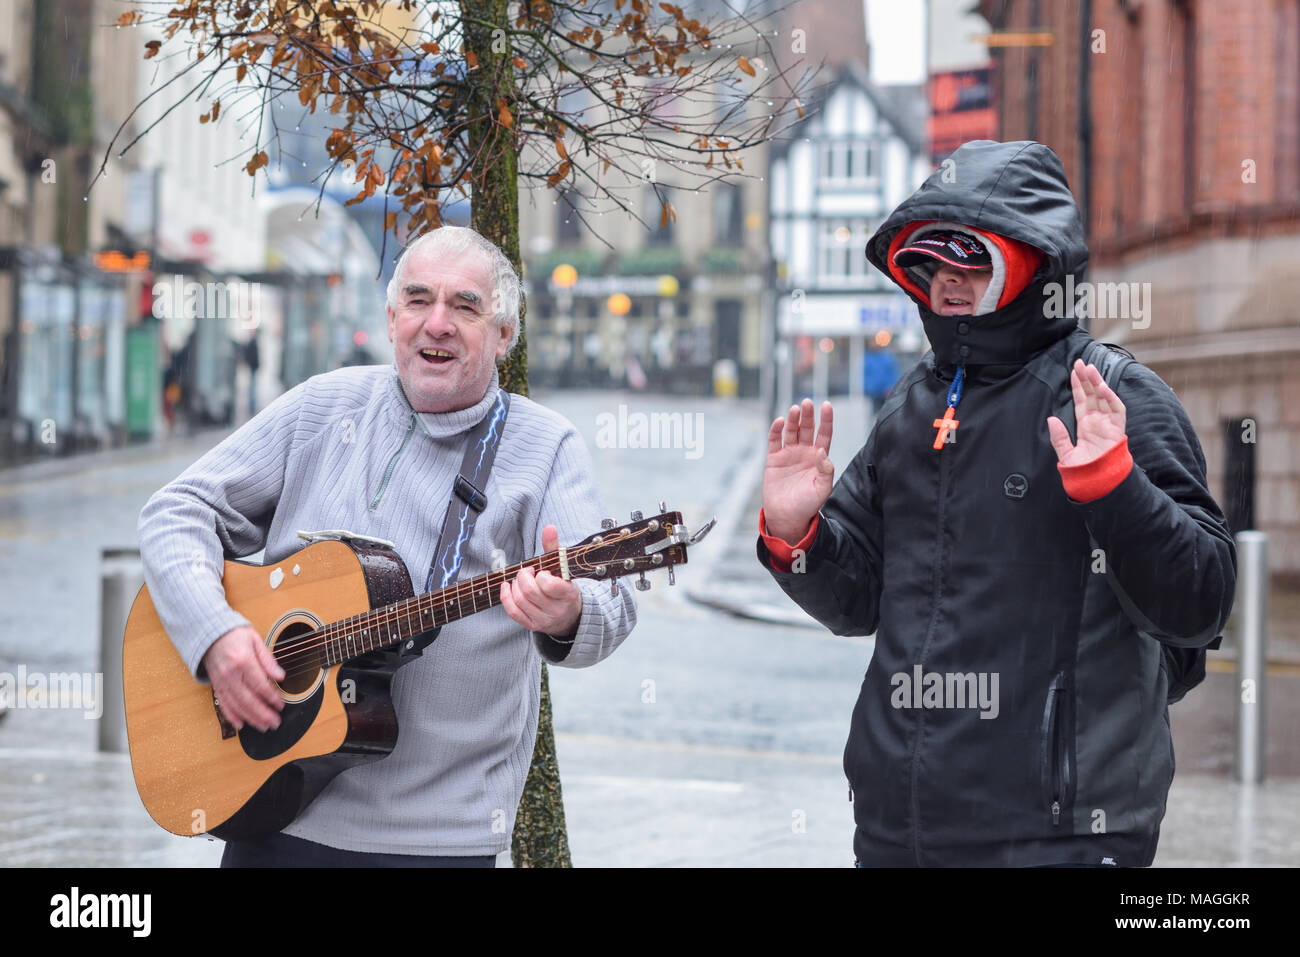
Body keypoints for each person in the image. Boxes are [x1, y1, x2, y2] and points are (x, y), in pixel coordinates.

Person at [756, 140, 1236, 867]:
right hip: (898, 824)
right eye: (934, 265)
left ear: (1033, 265)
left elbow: (1200, 602)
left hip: (1061, 832)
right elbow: (857, 602)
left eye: (971, 263)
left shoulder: (1111, 393)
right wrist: (798, 536)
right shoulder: (910, 405)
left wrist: (1117, 490)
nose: (948, 284)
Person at [137, 225, 637, 867]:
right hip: (268, 805)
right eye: (419, 300)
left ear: (505, 336)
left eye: (465, 306)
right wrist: (215, 635)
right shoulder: (323, 405)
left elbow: (611, 605)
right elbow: (177, 509)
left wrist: (570, 613)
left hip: (438, 840)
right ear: (392, 314)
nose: (438, 324)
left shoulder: (546, 447)